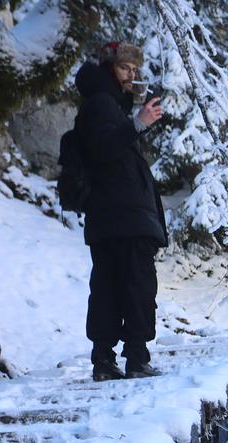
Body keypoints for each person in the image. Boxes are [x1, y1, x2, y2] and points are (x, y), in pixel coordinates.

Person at [74, 42, 167, 381]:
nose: (132, 75)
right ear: (110, 67)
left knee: (109, 286)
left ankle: (105, 360)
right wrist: (137, 124)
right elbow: (103, 150)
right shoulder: (101, 106)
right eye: (126, 68)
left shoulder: (107, 106)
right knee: (136, 286)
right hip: (124, 217)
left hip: (111, 217)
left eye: (135, 69)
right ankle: (136, 359)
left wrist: (134, 120)